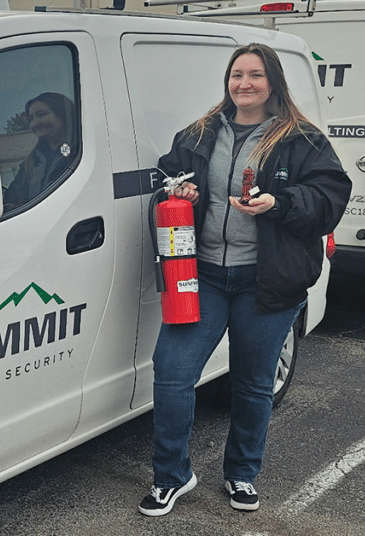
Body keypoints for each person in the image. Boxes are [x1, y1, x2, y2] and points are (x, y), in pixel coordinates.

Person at [137, 43, 351, 517]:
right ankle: (172, 476)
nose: (244, 84)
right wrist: (182, 190)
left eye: (255, 75)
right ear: (227, 82)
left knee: (253, 385)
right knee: (172, 373)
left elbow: (330, 196)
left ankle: (241, 474)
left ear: (272, 81)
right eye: (237, 75)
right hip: (204, 275)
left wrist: (280, 203)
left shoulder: (302, 139)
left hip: (266, 281)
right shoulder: (198, 134)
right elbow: (169, 175)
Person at [3, 92, 78, 210]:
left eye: (41, 115)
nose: (34, 123)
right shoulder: (31, 161)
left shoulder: (79, 152)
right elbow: (10, 199)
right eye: (30, 119)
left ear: (63, 115)